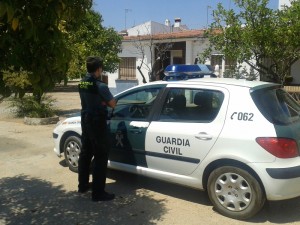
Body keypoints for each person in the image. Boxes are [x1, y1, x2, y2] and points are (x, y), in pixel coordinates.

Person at [78, 56, 116, 201]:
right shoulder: (100, 86)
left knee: (86, 153)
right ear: (99, 69)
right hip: (97, 122)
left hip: (85, 120)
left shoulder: (82, 83)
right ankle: (98, 193)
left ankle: (82, 186)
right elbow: (112, 104)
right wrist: (105, 102)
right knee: (101, 156)